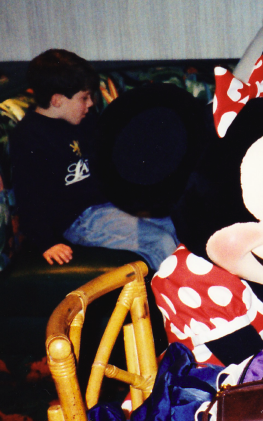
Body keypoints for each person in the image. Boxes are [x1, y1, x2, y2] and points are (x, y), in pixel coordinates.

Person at [9, 49, 178, 270]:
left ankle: (212, 290)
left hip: (110, 205)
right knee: (159, 242)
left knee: (177, 223)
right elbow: (29, 196)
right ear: (57, 100)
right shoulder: (30, 137)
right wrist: (46, 242)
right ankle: (183, 300)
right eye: (84, 98)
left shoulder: (85, 121)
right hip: (79, 220)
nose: (90, 104)